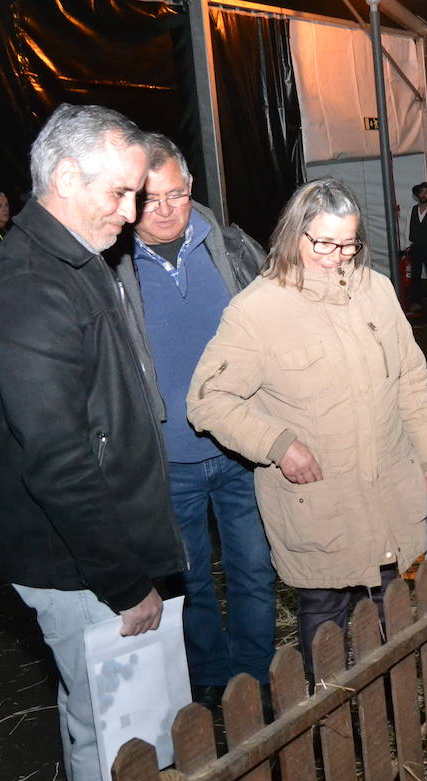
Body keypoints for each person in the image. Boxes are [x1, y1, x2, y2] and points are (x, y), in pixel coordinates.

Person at [0, 104, 183, 781]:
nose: (131, 214)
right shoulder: (29, 286)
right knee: (116, 731)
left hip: (90, 553)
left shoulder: (74, 260)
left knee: (97, 709)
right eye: (119, 193)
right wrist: (126, 582)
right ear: (62, 175)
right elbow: (58, 461)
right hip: (79, 565)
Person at [186, 177, 427, 680]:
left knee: (389, 598)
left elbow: (411, 377)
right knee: (326, 607)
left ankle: (389, 705)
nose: (338, 256)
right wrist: (278, 445)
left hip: (387, 481)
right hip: (320, 494)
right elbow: (208, 401)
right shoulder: (257, 311)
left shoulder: (376, 291)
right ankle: (333, 720)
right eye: (325, 243)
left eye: (349, 243)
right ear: (295, 235)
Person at [112, 134, 276, 712]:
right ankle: (207, 675)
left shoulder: (229, 250)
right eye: (150, 198)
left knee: (254, 565)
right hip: (167, 458)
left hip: (240, 447)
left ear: (191, 189)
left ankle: (254, 675)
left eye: (175, 194)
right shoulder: (113, 266)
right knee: (190, 579)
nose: (165, 209)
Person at [400, 180, 427, 314]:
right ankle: (416, 302)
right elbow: (407, 229)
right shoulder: (412, 211)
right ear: (418, 195)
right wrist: (407, 245)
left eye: (426, 193)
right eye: (422, 192)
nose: (424, 195)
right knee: (415, 276)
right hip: (415, 248)